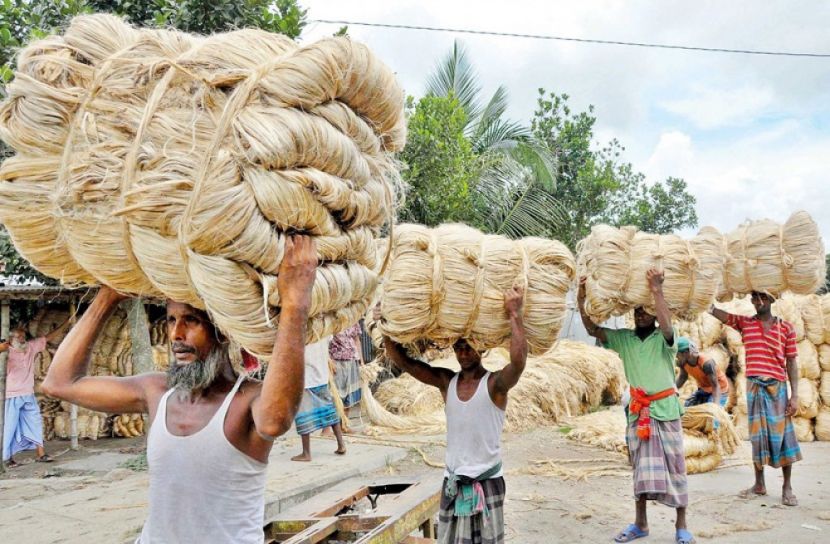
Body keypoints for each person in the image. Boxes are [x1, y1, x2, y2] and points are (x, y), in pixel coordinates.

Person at [42, 236, 317, 543]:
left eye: (191, 321)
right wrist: (109, 295)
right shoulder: (156, 391)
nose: (175, 334)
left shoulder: (247, 400)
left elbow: (276, 421)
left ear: (223, 331)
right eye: (171, 320)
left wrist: (295, 304)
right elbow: (60, 383)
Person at [383, 286, 527, 544]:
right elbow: (406, 363)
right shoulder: (446, 382)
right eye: (459, 348)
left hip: (487, 483)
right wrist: (385, 327)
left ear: (481, 349)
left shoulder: (495, 385)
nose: (463, 353)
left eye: (469, 348)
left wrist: (515, 314)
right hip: (453, 482)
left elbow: (518, 364)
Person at [578, 270, 694, 544]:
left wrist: (656, 290)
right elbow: (592, 329)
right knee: (640, 469)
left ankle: (681, 525)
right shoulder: (624, 339)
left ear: (654, 313)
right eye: (637, 311)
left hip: (666, 411)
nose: (641, 315)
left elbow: (668, 327)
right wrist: (581, 296)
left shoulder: (665, 338)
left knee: (676, 468)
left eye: (646, 311)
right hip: (638, 412)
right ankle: (640, 523)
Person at [709, 291, 801, 506]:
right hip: (754, 387)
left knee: (783, 436)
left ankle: (787, 486)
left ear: (771, 300)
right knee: (757, 437)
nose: (759, 302)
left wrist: (794, 395)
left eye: (764, 298)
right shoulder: (746, 324)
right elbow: (725, 316)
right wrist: (708, 306)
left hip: (777, 388)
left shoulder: (786, 328)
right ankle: (759, 484)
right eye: (755, 298)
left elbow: (791, 362)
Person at [2, 319, 71, 467]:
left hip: (28, 394)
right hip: (11, 395)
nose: (23, 339)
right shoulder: (6, 352)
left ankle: (41, 454)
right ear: (11, 339)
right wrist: (3, 345)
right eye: (19, 337)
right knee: (10, 426)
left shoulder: (30, 347)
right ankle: (7, 458)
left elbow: (48, 337)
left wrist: (67, 323)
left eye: (23, 336)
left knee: (35, 423)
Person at [291, 336, 346, 462]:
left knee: (303, 416)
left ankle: (306, 453)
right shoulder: (323, 332)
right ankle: (341, 444)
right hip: (322, 377)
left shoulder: (303, 334)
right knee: (330, 411)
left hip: (306, 379)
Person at [675, 337, 729, 407]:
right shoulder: (683, 362)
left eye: (677, 354)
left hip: (719, 390)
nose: (676, 357)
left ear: (685, 353)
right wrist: (672, 391)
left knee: (711, 412)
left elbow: (715, 386)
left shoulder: (707, 363)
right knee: (687, 408)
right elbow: (682, 377)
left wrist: (715, 407)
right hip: (704, 389)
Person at [329, 322, 364, 423]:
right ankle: (337, 424)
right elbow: (325, 343)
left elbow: (357, 340)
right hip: (336, 361)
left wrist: (361, 361)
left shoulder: (354, 321)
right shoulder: (332, 320)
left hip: (352, 360)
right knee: (336, 394)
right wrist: (329, 361)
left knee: (349, 394)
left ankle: (345, 424)